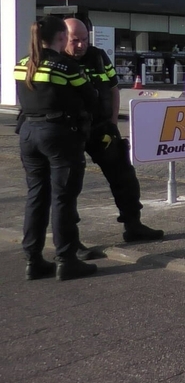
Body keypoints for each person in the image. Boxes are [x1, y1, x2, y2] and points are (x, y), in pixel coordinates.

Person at [14, 16, 98, 281]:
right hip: (59, 135)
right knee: (63, 197)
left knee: (36, 196)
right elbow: (91, 97)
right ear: (62, 37)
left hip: (28, 134)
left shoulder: (23, 64)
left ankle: (34, 260)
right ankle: (66, 260)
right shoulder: (66, 67)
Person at [64, 19, 163, 244]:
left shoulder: (98, 56)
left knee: (124, 176)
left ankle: (133, 225)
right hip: (71, 131)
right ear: (62, 39)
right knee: (68, 186)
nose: (81, 45)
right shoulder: (56, 60)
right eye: (75, 41)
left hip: (101, 128)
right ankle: (71, 241)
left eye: (85, 40)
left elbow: (113, 88)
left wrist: (112, 123)